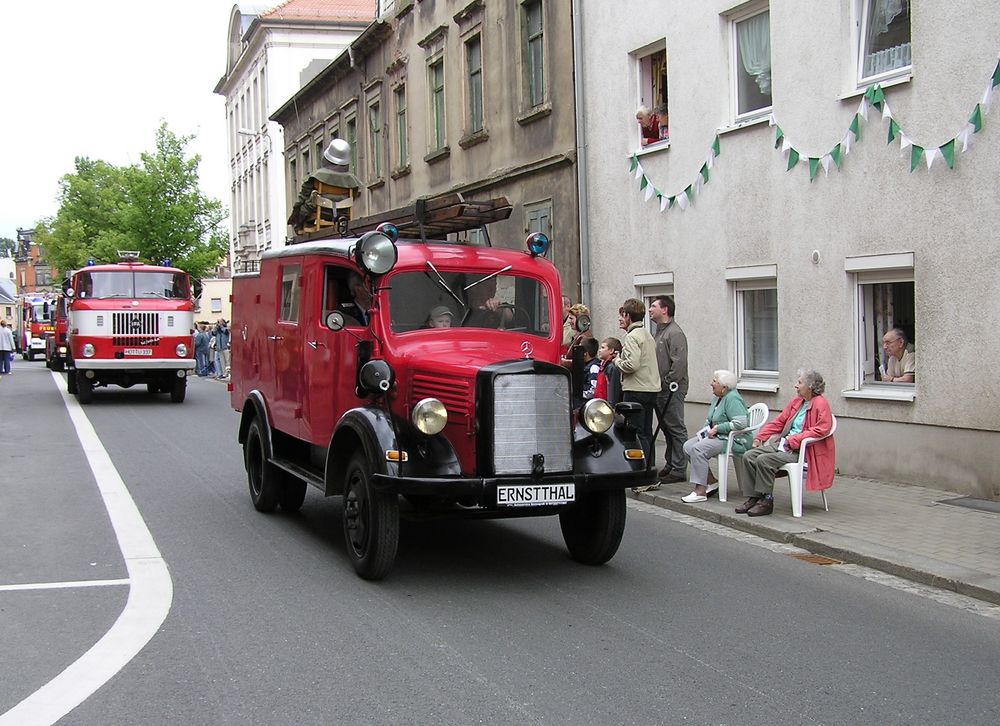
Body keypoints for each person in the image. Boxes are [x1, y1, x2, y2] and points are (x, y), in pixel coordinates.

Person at [733, 369, 836, 517]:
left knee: (764, 460)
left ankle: (767, 501)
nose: (796, 385)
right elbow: (779, 421)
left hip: (803, 451)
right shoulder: (797, 402)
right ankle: (754, 497)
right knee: (749, 455)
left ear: (810, 386)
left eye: (799, 382)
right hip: (785, 445)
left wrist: (793, 439)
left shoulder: (820, 403)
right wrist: (760, 437)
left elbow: (822, 429)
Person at [680, 370, 749, 503]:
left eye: (714, 381)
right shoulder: (717, 398)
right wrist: (704, 431)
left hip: (733, 439)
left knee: (698, 449)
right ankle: (711, 482)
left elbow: (741, 423)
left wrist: (718, 428)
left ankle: (700, 491)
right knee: (688, 446)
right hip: (717, 436)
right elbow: (711, 419)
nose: (711, 383)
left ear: (724, 387)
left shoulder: (733, 398)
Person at [613, 298, 661, 489]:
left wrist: (617, 361)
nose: (619, 320)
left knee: (637, 433)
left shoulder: (632, 337)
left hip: (636, 389)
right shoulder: (647, 334)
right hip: (650, 389)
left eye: (621, 315)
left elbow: (631, 365)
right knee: (647, 433)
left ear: (627, 315)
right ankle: (651, 473)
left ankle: (643, 476)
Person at [649, 295, 689, 483]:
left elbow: (679, 363)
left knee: (676, 428)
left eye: (654, 306)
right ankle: (671, 463)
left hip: (671, 389)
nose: (650, 309)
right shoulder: (660, 331)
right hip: (660, 388)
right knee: (666, 428)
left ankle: (679, 468)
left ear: (665, 310)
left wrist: (668, 381)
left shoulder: (675, 333)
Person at [287, 138, 361, 233]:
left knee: (304, 206)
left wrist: (295, 216)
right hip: (342, 213)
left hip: (322, 212)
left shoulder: (316, 176)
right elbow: (353, 197)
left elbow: (303, 197)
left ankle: (302, 229)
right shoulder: (352, 180)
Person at [594, 337, 623, 406]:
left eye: (603, 348)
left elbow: (613, 391)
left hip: (607, 408)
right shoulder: (604, 365)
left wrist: (611, 407)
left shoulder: (612, 367)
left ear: (611, 350)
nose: (600, 350)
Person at [579, 337, 600, 406]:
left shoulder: (594, 367)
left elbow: (592, 391)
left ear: (585, 353)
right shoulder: (585, 365)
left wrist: (576, 393)